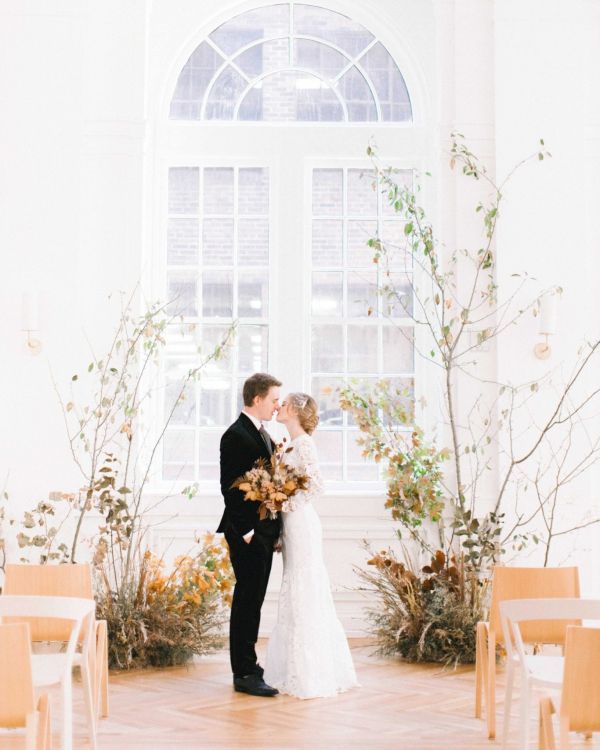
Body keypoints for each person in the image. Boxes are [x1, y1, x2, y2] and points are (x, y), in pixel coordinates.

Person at [264, 392, 359, 699]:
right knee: (294, 587)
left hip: (302, 523)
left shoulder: (304, 443)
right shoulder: (288, 444)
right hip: (291, 526)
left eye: (284, 403)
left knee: (304, 586)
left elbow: (316, 484)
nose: (279, 407)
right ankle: (292, 667)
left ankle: (310, 672)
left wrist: (284, 506)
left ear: (294, 410)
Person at [218, 372, 282, 697]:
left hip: (264, 532)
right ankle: (242, 672)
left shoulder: (263, 435)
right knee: (246, 600)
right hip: (247, 533)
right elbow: (229, 487)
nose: (277, 405)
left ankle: (249, 662)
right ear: (257, 399)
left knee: (254, 600)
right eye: (273, 400)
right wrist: (246, 532)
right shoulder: (235, 435)